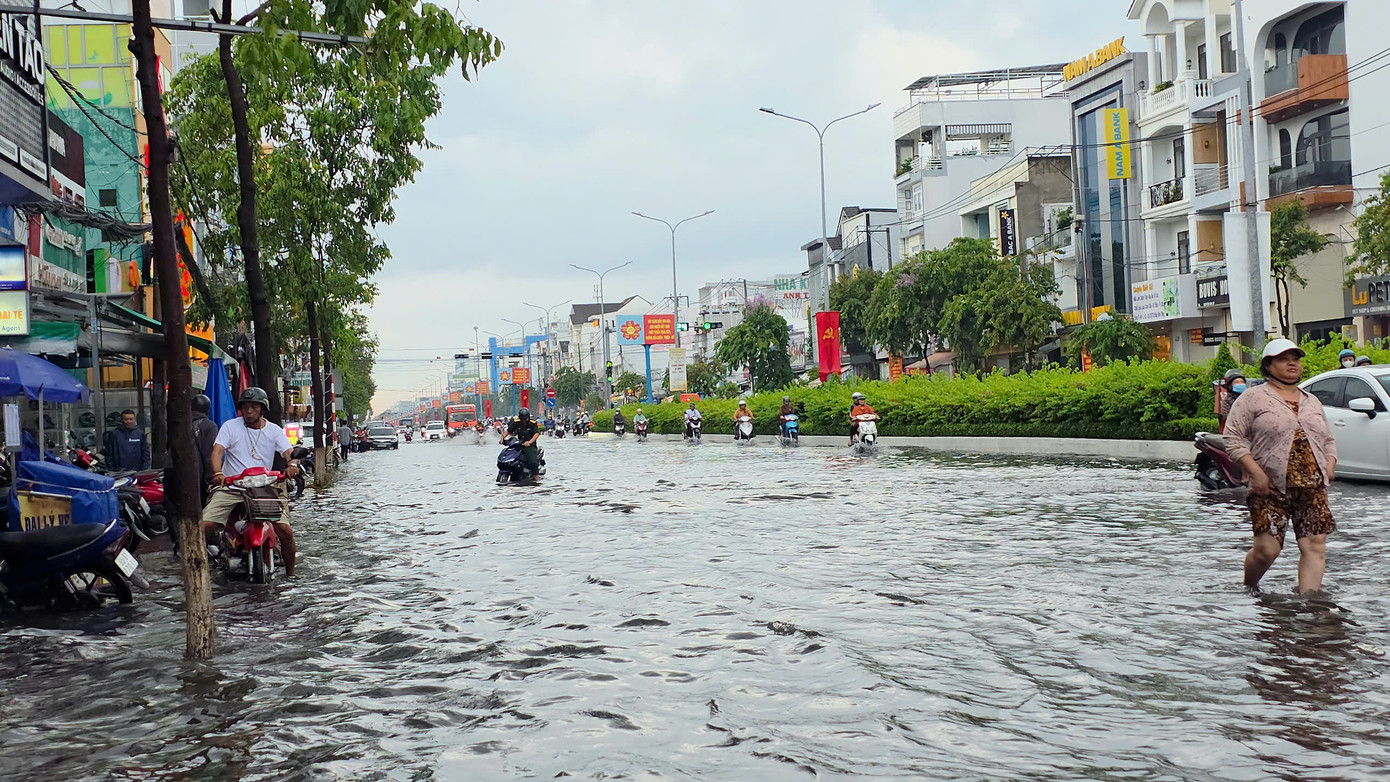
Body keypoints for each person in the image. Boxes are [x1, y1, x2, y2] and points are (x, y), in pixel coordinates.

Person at [1224, 339, 1337, 593]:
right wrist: (1255, 472)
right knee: (1267, 550)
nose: (1291, 364)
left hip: (1312, 487)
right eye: (1284, 359)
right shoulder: (1253, 398)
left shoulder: (1311, 401)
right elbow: (1232, 439)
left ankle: (1309, 603)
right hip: (1269, 486)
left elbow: (1328, 439)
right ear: (1268, 365)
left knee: (1315, 546)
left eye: (1295, 359)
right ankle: (1249, 586)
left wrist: (1330, 463)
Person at [204, 387, 301, 577]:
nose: (249, 411)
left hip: (264, 488)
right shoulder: (230, 426)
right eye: (245, 407)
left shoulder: (274, 430)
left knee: (286, 531)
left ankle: (291, 574)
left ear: (262, 409)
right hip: (232, 486)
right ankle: (199, 567)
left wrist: (292, 465)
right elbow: (217, 452)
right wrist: (218, 473)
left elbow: (289, 452)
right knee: (204, 526)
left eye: (254, 407)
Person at [190, 394, 220, 507]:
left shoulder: (179, 424)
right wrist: (210, 479)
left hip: (172, 472)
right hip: (196, 475)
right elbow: (209, 454)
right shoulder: (209, 426)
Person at [506, 408, 542, 475]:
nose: (524, 421)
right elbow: (508, 431)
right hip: (519, 445)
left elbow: (536, 434)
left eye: (525, 419)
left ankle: (536, 476)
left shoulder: (532, 423)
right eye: (522, 419)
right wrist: (502, 438)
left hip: (529, 446)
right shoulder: (516, 423)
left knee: (533, 462)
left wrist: (529, 442)